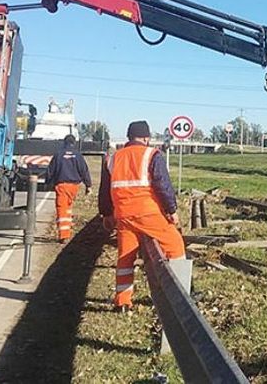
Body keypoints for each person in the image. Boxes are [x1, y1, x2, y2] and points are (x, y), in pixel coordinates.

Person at [98, 120, 185, 310]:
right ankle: (184, 291)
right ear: (146, 137)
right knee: (175, 245)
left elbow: (105, 190)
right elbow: (163, 185)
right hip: (149, 213)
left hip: (123, 216)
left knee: (125, 257)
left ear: (129, 137)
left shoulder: (113, 158)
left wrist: (106, 214)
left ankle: (122, 300)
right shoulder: (152, 154)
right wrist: (171, 211)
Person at [46, 134, 91, 243]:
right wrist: (88, 185)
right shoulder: (78, 155)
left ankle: (64, 235)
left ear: (64, 142)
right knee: (68, 209)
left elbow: (50, 170)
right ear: (74, 143)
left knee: (62, 210)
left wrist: (48, 183)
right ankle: (67, 232)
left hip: (62, 186)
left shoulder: (58, 154)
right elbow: (84, 170)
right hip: (74, 187)